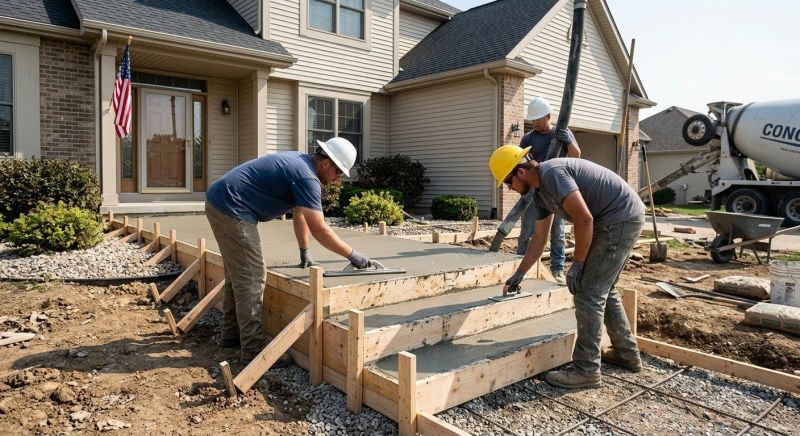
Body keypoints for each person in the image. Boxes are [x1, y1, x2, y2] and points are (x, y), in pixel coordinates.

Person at [488, 145, 645, 389]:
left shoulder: (553, 174)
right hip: (619, 217)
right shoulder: (540, 193)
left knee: (587, 294)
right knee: (604, 288)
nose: (509, 189)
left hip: (618, 218)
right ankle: (626, 353)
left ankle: (586, 371)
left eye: (508, 182)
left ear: (520, 172)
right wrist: (519, 274)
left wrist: (578, 264)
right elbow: (539, 238)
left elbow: (584, 219)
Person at [205, 137, 373, 365]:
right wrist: (352, 254)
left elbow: (301, 213)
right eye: (338, 172)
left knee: (238, 277)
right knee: (252, 277)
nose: (337, 179)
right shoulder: (307, 177)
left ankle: (231, 336)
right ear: (326, 164)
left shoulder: (301, 163)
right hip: (232, 208)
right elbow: (319, 228)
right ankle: (254, 349)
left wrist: (304, 250)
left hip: (221, 201)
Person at [517, 97, 581, 284]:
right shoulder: (528, 138)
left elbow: (576, 155)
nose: (535, 123)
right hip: (534, 192)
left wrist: (567, 139)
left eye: (539, 119)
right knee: (527, 230)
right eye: (533, 120)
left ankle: (557, 269)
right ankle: (519, 264)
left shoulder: (561, 133)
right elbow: (520, 162)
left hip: (556, 191)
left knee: (558, 233)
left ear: (548, 116)